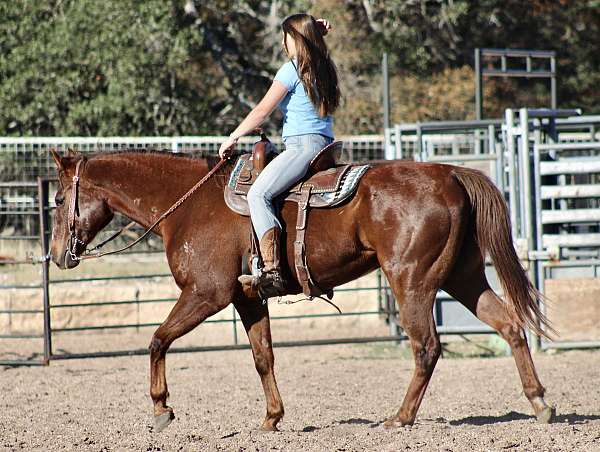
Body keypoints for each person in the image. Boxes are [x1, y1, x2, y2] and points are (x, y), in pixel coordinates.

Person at [218, 13, 341, 298]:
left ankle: (271, 270)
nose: (282, 42)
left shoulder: (291, 70)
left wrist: (234, 136)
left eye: (285, 36)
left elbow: (262, 110)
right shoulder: (325, 67)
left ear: (294, 38)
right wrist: (315, 33)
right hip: (325, 146)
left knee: (257, 195)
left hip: (302, 147)